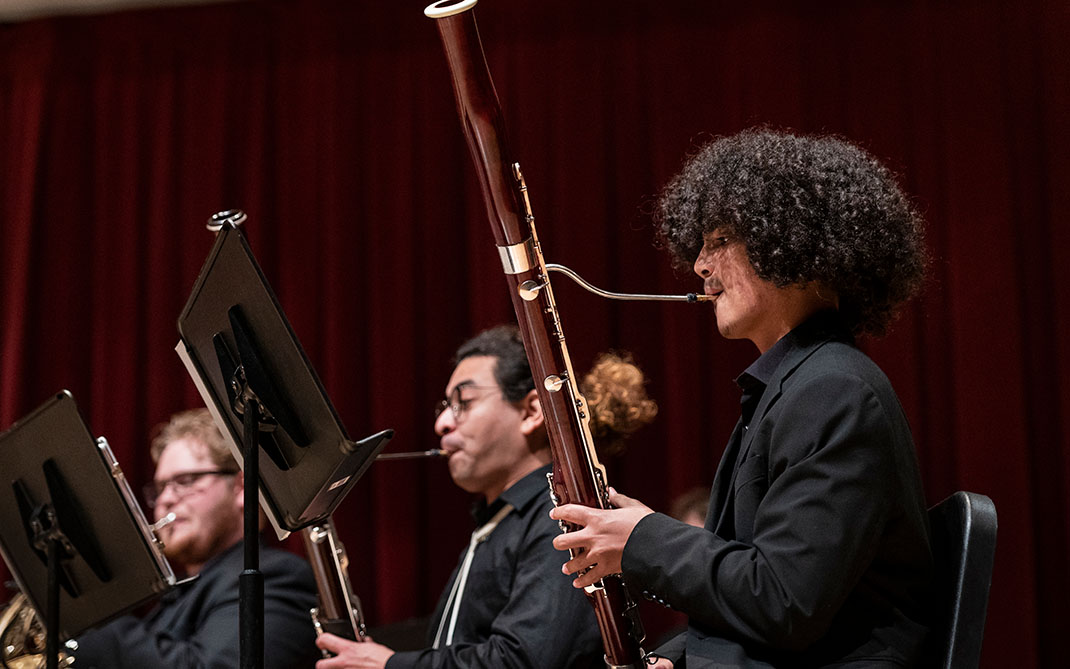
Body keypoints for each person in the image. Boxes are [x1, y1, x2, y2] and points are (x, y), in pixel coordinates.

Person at [550, 128, 933, 667]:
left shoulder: (834, 391)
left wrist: (645, 540)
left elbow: (784, 601)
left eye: (722, 239)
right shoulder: (795, 387)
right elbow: (748, 592)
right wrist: (673, 660)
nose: (700, 266)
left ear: (794, 243)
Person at [314, 326, 656, 669]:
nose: (443, 423)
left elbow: (526, 660)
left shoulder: (562, 515)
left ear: (531, 411)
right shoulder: (502, 520)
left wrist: (391, 665)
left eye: (464, 403)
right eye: (445, 406)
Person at [73, 408, 320, 669]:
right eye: (160, 488)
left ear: (241, 488)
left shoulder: (277, 577)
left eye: (185, 481)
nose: (166, 499)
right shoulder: (177, 593)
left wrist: (92, 618)